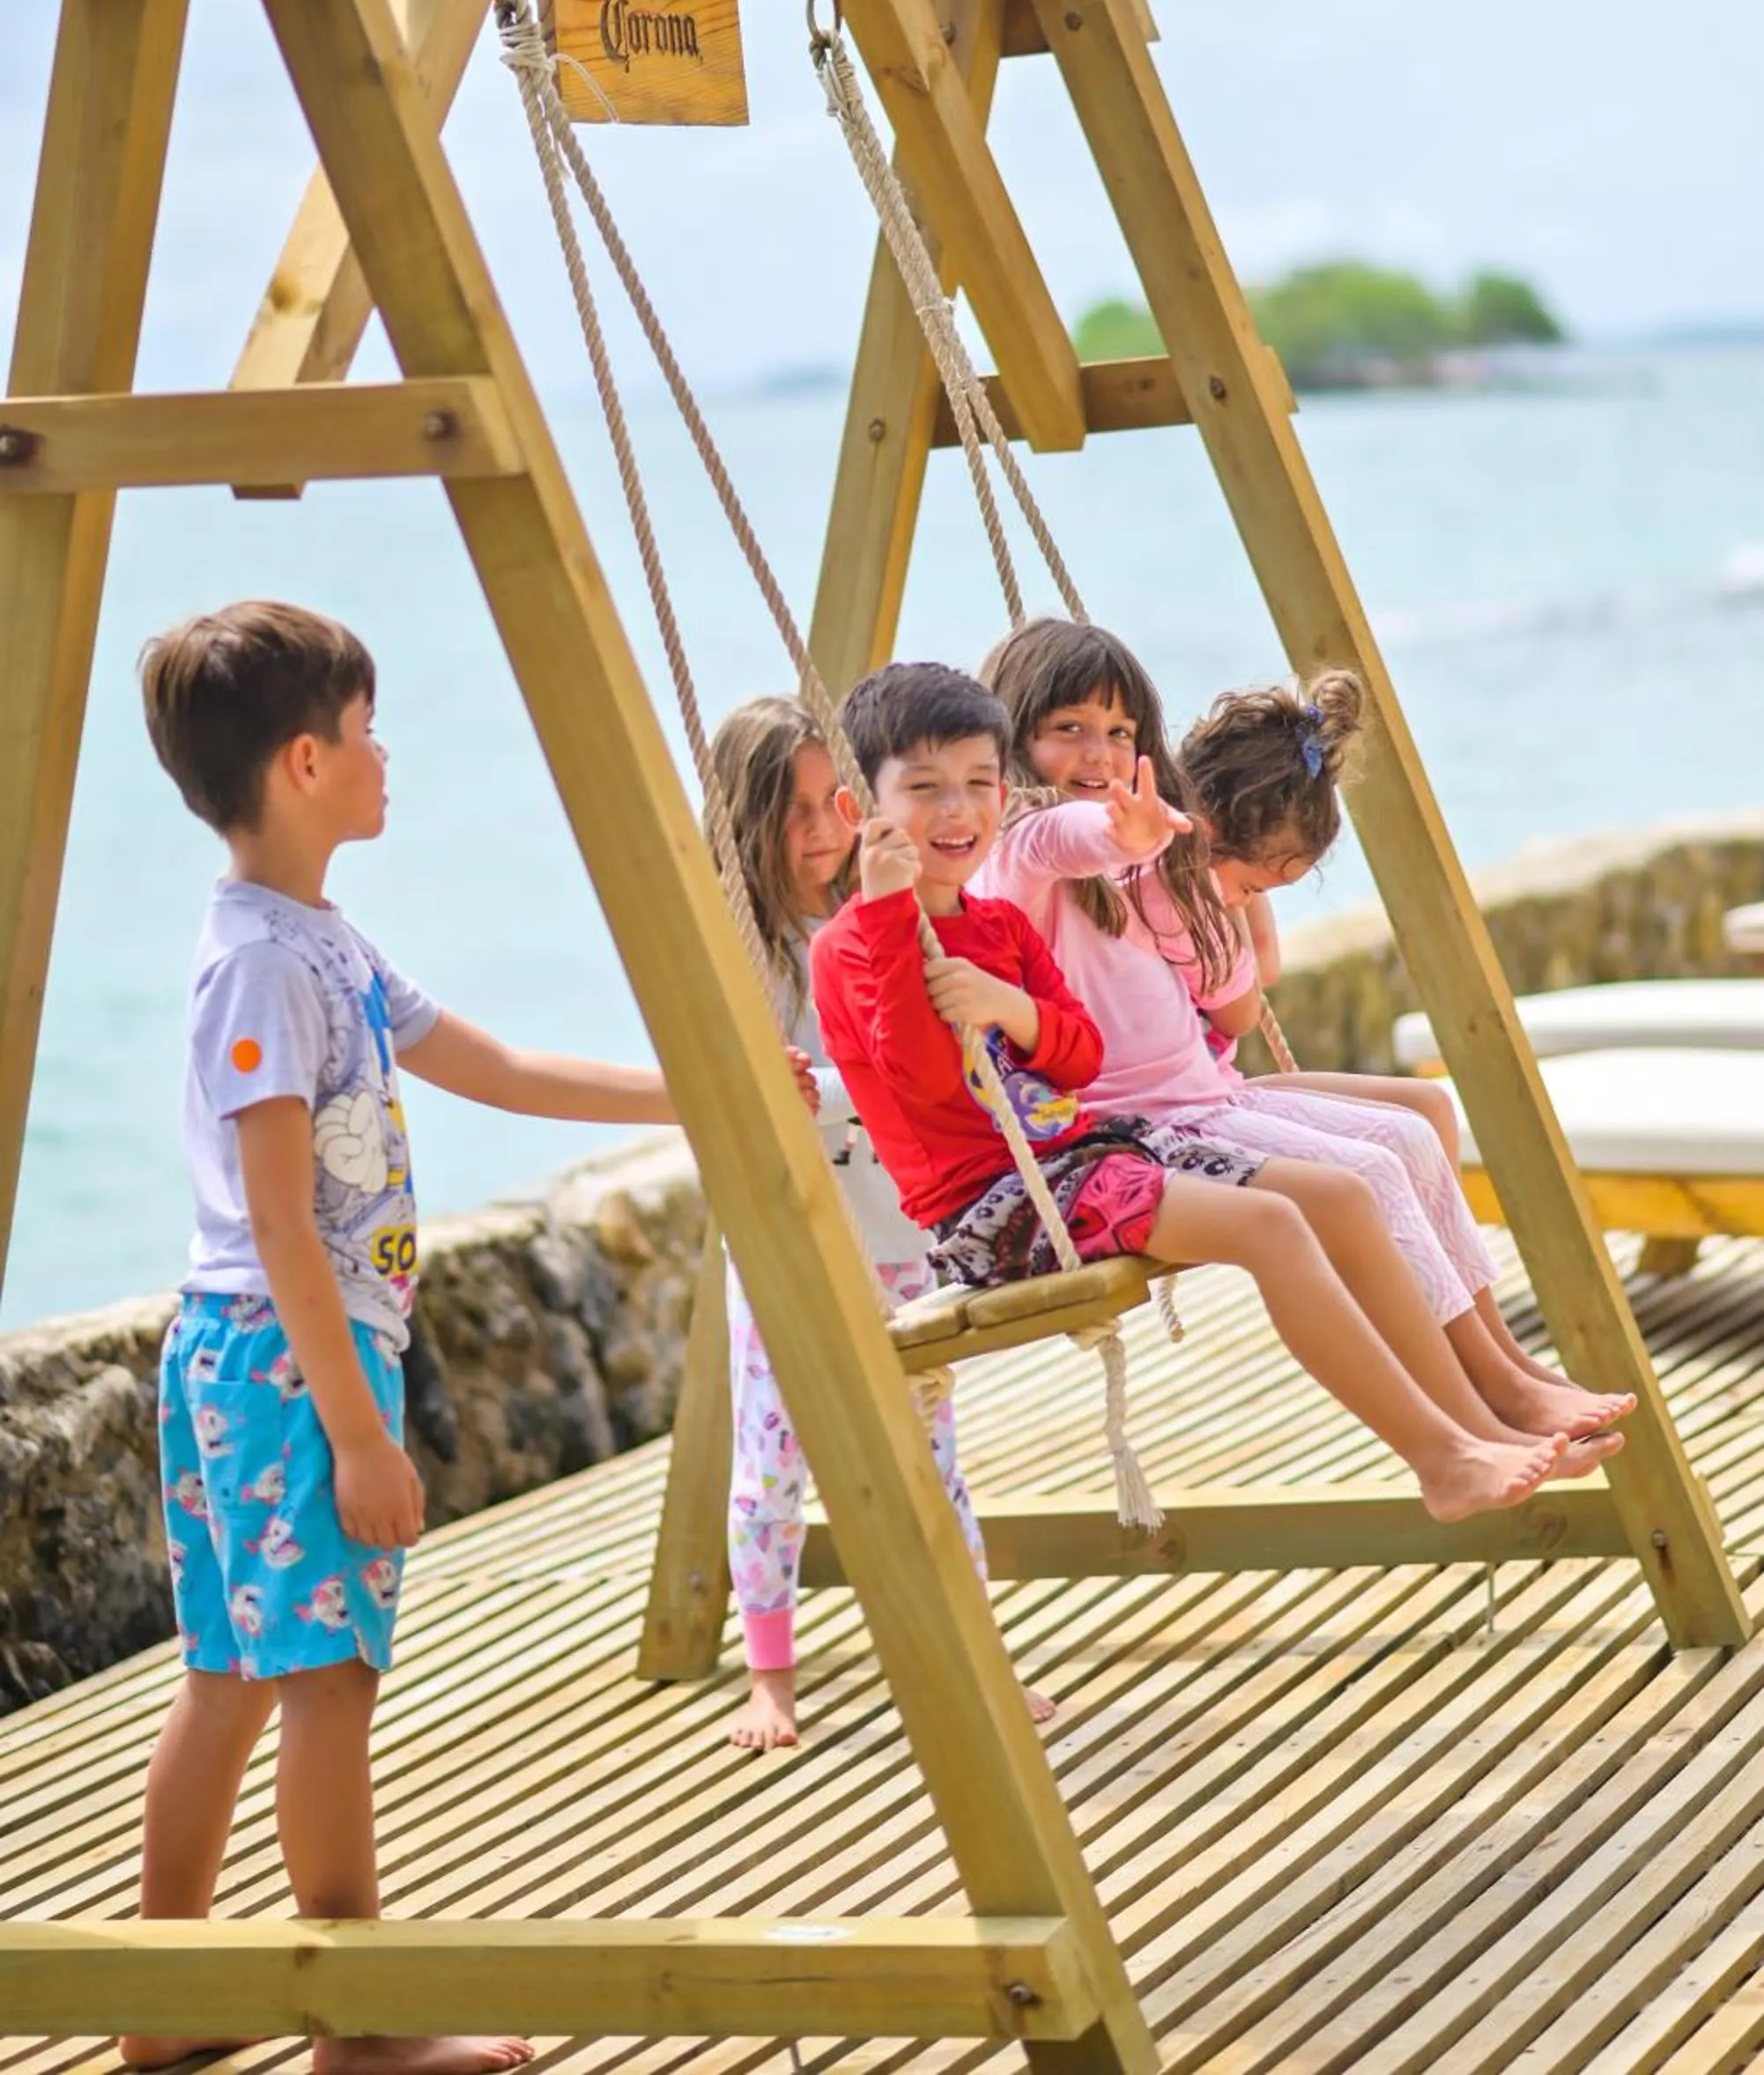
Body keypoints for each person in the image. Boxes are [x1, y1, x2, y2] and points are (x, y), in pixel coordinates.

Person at [127, 600, 764, 2075]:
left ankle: (159, 2005)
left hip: (252, 1359)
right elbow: (281, 1221)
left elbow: (496, 1061)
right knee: (324, 1685)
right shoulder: (262, 968)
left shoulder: (319, 939)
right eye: (364, 731)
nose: (384, 753)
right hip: (288, 1368)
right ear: (302, 762)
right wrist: (357, 1432)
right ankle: (355, 2025)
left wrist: (698, 1087)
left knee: (228, 1677)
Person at [810, 660, 1572, 1529]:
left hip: (1084, 1158)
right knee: (1278, 1219)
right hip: (1001, 1206)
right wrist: (882, 913)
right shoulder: (853, 947)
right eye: (924, 789)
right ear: (856, 810)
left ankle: (1469, 1429)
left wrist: (1012, 1007)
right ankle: (1444, 1455)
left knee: (1332, 1187)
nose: (957, 811)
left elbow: (1076, 1053)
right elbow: (917, 1079)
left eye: (978, 784)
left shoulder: (999, 927)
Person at [975, 619, 1631, 1460]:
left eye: (1120, 733)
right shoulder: (1026, 847)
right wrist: (1129, 834)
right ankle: (1475, 1424)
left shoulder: (1131, 863)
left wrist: (1155, 851)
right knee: (1368, 1170)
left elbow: (1231, 981)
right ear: (1013, 733)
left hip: (1195, 1100)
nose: (1099, 753)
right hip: (1127, 1129)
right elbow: (1065, 840)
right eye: (1069, 730)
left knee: (1406, 1134)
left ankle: (1503, 1375)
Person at [708, 697, 1047, 1752]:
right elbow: (718, 1078)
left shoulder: (879, 920)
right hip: (791, 1237)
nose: (819, 830)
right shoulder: (738, 942)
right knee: (774, 1454)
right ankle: (770, 1672)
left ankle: (978, 1653)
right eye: (791, 811)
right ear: (743, 823)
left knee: (929, 1450)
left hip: (901, 1227)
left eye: (833, 802)